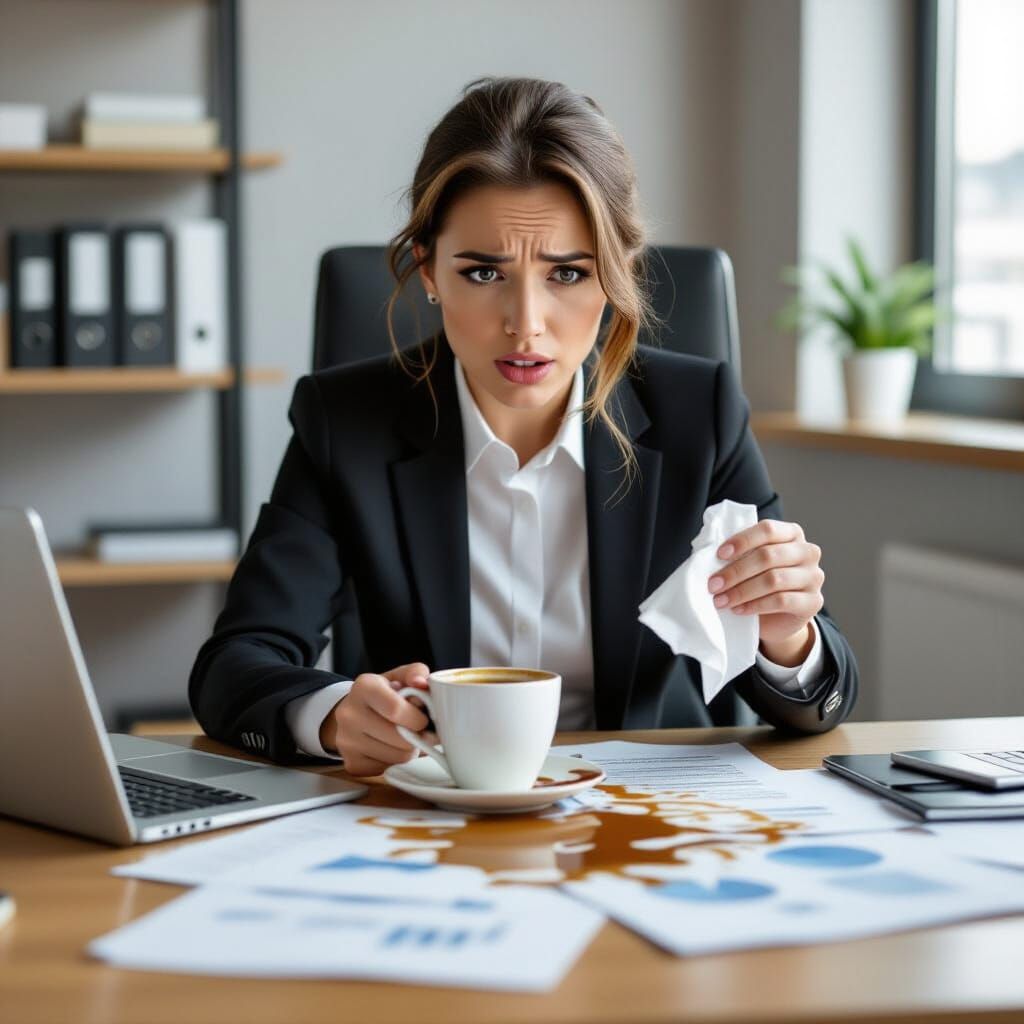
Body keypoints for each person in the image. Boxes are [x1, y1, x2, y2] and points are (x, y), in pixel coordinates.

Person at [188, 76, 858, 778]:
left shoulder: (699, 412)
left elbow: (816, 704)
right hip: (430, 810)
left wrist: (787, 637)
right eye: (483, 273)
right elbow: (235, 664)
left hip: (643, 816)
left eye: (567, 274)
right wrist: (329, 716)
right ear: (428, 270)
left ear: (617, 273)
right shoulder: (346, 423)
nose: (526, 323)